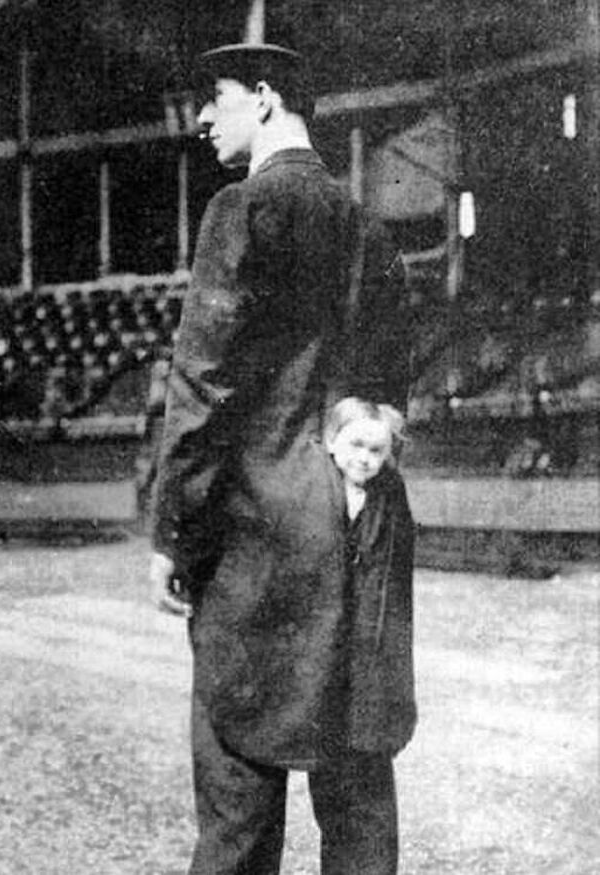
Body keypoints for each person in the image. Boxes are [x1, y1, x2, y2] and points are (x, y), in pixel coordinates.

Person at [149, 43, 413, 875]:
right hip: (362, 528)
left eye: (214, 98)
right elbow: (385, 387)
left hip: (259, 539)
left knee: (239, 802)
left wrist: (170, 532)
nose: (201, 116)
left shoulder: (242, 210)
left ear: (263, 99)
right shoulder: (367, 226)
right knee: (358, 795)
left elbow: (201, 388)